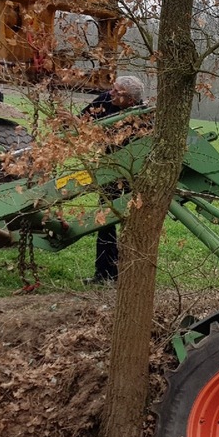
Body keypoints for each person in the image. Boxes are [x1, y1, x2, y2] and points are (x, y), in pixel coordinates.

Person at [82, 76, 146, 284]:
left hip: (130, 174)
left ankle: (127, 275)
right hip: (107, 170)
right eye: (113, 89)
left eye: (118, 92)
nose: (112, 93)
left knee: (131, 224)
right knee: (105, 221)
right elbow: (83, 119)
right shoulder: (105, 99)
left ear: (131, 100)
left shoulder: (142, 117)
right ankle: (103, 273)